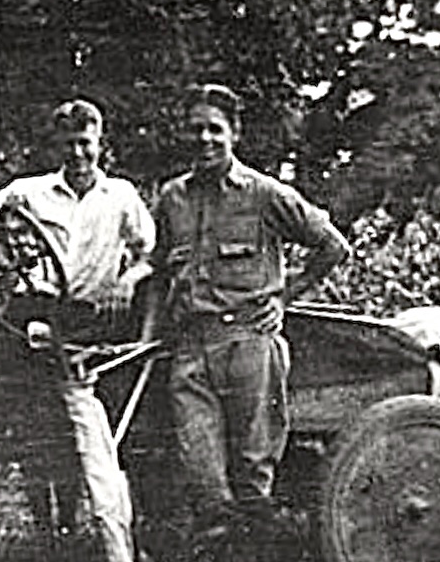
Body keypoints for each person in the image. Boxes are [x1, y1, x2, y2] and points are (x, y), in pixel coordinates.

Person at [0, 99, 155, 562]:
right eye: (68, 144)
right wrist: (11, 268)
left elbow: (149, 252)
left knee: (98, 452)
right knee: (39, 437)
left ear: (100, 143)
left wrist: (127, 281)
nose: (78, 153)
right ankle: (51, 537)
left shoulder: (121, 197)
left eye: (85, 142)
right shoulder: (30, 192)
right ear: (56, 146)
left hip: (94, 329)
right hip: (39, 322)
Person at [146, 83, 351, 538]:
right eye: (196, 129)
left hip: (248, 345)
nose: (204, 139)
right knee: (203, 478)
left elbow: (333, 246)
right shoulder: (172, 199)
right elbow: (158, 273)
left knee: (252, 476)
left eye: (214, 129)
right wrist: (150, 336)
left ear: (234, 133)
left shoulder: (264, 194)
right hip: (190, 352)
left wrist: (285, 296)